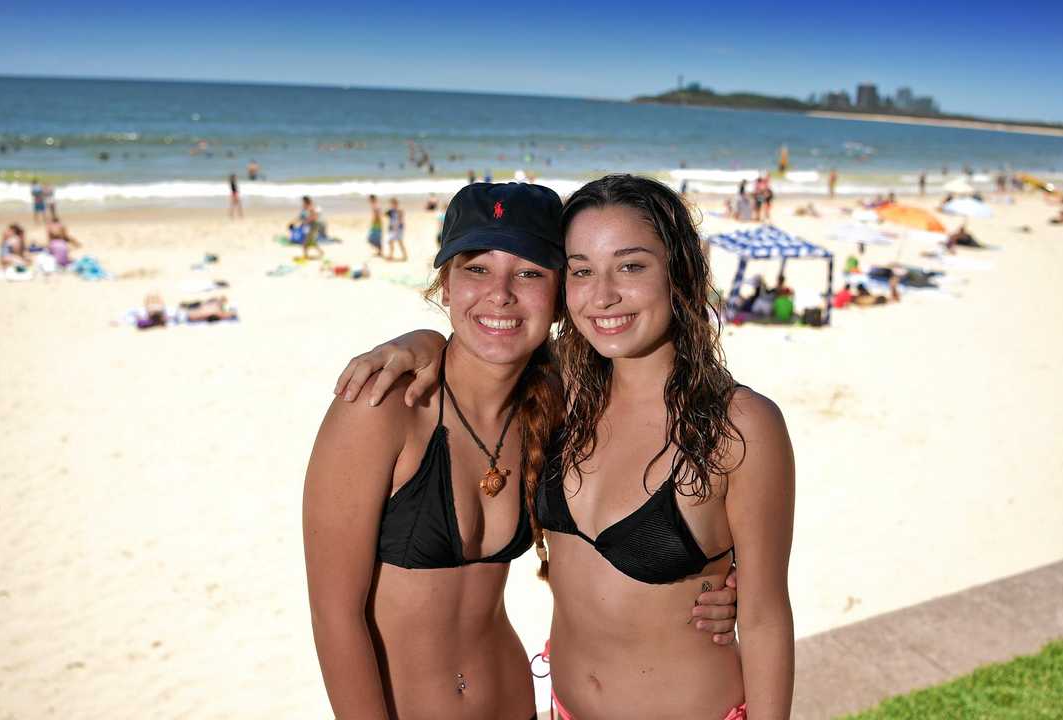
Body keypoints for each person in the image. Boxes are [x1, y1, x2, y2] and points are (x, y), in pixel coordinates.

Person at [333, 176, 794, 718]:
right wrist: (422, 341)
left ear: (680, 272)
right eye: (581, 270)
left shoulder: (740, 425)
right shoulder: (559, 394)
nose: (603, 295)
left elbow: (765, 619)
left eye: (631, 266)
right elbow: (486, 342)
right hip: (559, 708)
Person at [294, 196, 324, 261]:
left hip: (313, 226)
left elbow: (314, 217)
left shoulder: (311, 207)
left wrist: (306, 221)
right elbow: (302, 216)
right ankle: (320, 252)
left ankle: (305, 256)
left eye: (303, 202)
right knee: (311, 241)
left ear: (305, 201)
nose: (302, 203)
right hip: (312, 226)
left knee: (306, 241)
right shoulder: (309, 207)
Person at [385, 197, 408, 262]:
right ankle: (391, 255)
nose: (392, 205)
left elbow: (400, 220)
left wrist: (396, 227)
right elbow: (385, 215)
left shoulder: (399, 210)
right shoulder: (391, 211)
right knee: (391, 241)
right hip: (393, 229)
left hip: (398, 229)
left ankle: (404, 255)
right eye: (391, 204)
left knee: (400, 242)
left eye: (393, 203)